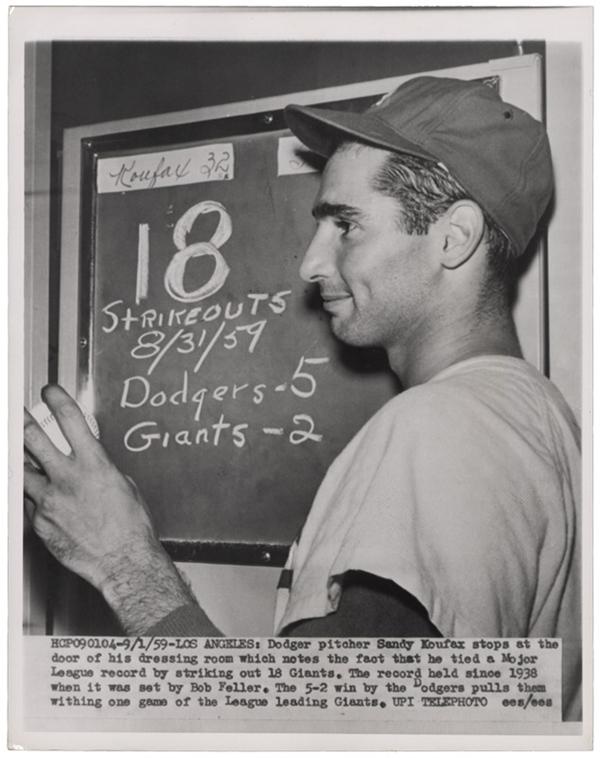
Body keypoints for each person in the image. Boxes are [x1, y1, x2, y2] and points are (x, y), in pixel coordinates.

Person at [23, 76, 581, 719]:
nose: (310, 264)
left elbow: (298, 737)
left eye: (345, 225)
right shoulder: (544, 420)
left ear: (454, 236)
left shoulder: (437, 430)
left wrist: (123, 561)